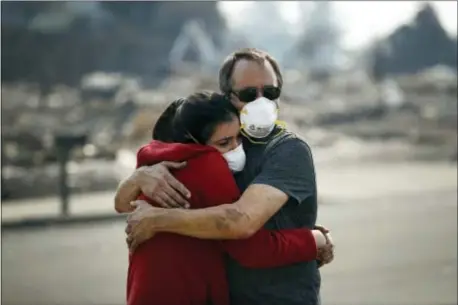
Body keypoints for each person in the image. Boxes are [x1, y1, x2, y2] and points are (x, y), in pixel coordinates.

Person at [117, 48, 334, 305]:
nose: (261, 102)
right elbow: (122, 203)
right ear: (227, 98)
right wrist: (139, 177)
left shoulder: (287, 150)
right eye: (249, 94)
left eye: (271, 92)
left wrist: (159, 220)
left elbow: (240, 222)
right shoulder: (204, 151)